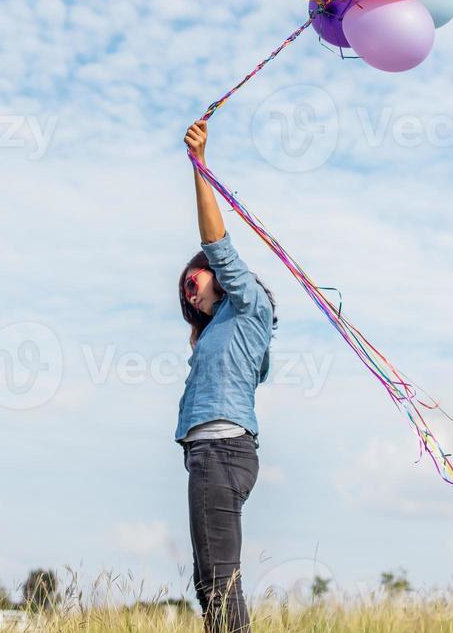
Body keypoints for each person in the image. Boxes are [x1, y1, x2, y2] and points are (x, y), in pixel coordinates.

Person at [176, 119, 278, 632]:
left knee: (218, 583)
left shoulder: (249, 304)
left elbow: (217, 243)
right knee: (210, 582)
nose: (189, 291)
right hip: (210, 454)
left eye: (193, 280)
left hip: (222, 449)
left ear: (217, 274)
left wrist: (200, 166)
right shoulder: (226, 330)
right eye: (184, 292)